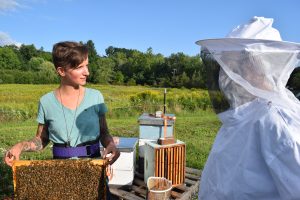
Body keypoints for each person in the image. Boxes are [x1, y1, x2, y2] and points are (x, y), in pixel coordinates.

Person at [196, 17, 300, 199]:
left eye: (234, 66)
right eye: (226, 66)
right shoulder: (247, 113)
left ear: (257, 66)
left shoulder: (278, 120)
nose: (226, 75)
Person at [4, 41, 120, 166]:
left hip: (94, 167)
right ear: (61, 71)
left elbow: (104, 133)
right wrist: (21, 146)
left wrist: (111, 144)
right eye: (79, 67)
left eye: (86, 66)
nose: (87, 72)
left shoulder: (96, 97)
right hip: (60, 170)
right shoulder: (46, 102)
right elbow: (41, 140)